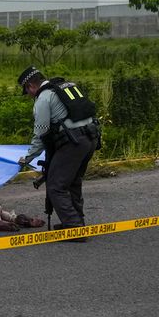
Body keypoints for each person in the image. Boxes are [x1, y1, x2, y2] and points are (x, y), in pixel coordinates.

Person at [16, 66, 100, 241]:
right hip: (91, 138)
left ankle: (73, 228)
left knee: (56, 186)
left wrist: (28, 158)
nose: (30, 95)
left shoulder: (44, 99)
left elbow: (40, 133)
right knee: (73, 182)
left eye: (27, 91)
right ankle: (77, 223)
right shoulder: (66, 86)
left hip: (74, 143)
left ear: (31, 85)